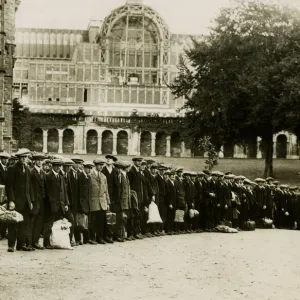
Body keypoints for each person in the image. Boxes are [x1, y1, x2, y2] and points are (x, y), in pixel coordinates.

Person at [6, 148, 33, 252]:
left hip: (26, 202)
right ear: (18, 158)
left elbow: (28, 187)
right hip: (16, 201)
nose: (23, 159)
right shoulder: (12, 168)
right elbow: (9, 186)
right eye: (22, 157)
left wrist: (30, 201)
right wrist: (11, 200)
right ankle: (11, 245)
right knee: (13, 222)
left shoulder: (27, 169)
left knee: (23, 223)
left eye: (25, 157)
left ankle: (21, 245)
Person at [43, 159, 72, 249]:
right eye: (56, 166)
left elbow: (64, 192)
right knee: (49, 224)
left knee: (59, 223)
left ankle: (57, 241)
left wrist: (66, 204)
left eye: (59, 166)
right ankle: (46, 243)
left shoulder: (61, 177)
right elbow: (46, 192)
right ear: (53, 166)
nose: (58, 167)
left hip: (61, 205)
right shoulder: (48, 176)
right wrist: (49, 203)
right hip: (51, 205)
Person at [89, 159, 111, 244]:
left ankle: (100, 237)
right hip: (93, 201)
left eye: (102, 165)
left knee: (102, 221)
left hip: (102, 201)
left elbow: (106, 190)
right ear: (95, 165)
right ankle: (92, 238)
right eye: (99, 165)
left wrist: (108, 202)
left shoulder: (103, 176)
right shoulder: (90, 175)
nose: (101, 167)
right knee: (93, 221)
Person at [29, 153, 47, 250]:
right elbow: (30, 187)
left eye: (41, 160)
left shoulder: (42, 172)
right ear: (34, 161)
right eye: (38, 160)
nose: (39, 162)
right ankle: (30, 242)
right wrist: (32, 200)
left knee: (39, 222)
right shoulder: (32, 172)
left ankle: (35, 242)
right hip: (35, 200)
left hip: (42, 201)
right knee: (32, 222)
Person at [127, 156, 145, 239]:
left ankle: (137, 232)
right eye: (137, 161)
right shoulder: (131, 171)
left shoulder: (139, 171)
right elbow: (129, 184)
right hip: (133, 196)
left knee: (138, 215)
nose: (139, 163)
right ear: (134, 162)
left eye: (140, 161)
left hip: (139, 196)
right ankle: (130, 233)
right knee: (132, 215)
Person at [102, 155, 119, 241]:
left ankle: (113, 234)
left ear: (113, 162)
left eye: (110, 159)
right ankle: (107, 235)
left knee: (113, 216)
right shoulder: (103, 170)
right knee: (106, 216)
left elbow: (117, 185)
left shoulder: (115, 171)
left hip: (114, 197)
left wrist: (117, 197)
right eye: (107, 159)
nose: (108, 160)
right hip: (105, 196)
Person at [77, 162, 94, 245]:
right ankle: (78, 239)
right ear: (84, 168)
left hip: (88, 203)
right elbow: (79, 191)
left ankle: (86, 239)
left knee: (87, 222)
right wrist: (80, 205)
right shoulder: (80, 176)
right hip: (82, 203)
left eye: (90, 168)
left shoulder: (89, 177)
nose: (89, 170)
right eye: (87, 168)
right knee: (80, 222)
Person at [114, 161, 131, 242]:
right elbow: (120, 190)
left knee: (124, 219)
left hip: (126, 201)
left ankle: (122, 234)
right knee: (120, 219)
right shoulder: (120, 176)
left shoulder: (125, 176)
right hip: (121, 201)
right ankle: (119, 235)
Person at [0, 151, 10, 239]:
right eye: (4, 159)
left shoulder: (7, 168)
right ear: (1, 159)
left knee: (5, 212)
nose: (6, 161)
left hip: (5, 193)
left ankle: (3, 232)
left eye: (7, 159)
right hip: (0, 192)